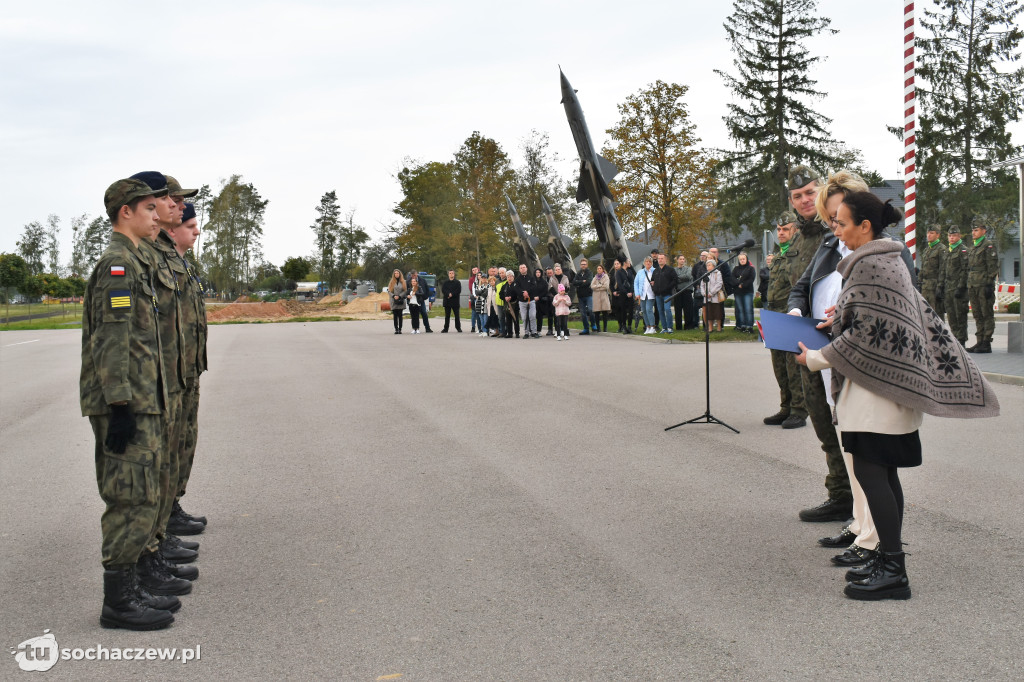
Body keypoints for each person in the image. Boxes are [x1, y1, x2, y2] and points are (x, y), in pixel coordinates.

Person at [796, 191, 999, 600]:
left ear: (865, 226)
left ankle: (893, 571)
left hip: (876, 393)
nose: (836, 229)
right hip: (887, 391)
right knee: (883, 476)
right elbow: (877, 320)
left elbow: (867, 337)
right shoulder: (886, 260)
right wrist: (841, 318)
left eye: (841, 222)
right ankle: (887, 559)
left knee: (873, 475)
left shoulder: (870, 264)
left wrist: (816, 358)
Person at [789, 169, 919, 524]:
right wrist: (798, 313)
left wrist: (845, 315)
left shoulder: (887, 251)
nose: (834, 227)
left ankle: (877, 545)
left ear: (861, 217)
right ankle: (862, 529)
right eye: (830, 220)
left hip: (865, 365)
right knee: (851, 452)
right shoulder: (831, 245)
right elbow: (801, 287)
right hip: (826, 355)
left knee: (874, 464)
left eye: (839, 219)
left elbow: (899, 309)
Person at [83, 178, 185, 630]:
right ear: (126, 212)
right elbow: (113, 337)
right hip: (127, 401)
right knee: (129, 496)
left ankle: (134, 583)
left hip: (143, 397)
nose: (156, 214)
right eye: (148, 208)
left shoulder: (133, 260)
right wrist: (120, 404)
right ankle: (118, 602)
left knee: (143, 492)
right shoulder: (118, 265)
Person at [128, 172, 199, 597]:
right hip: (150, 383)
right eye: (164, 202)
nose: (173, 208)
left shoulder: (161, 258)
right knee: (146, 475)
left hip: (174, 376)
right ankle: (139, 567)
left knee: (171, 455)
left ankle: (159, 538)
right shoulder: (135, 260)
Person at [162, 201, 209, 542]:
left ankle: (172, 505)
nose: (195, 231)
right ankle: (161, 522)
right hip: (169, 373)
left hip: (186, 369)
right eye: (190, 226)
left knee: (184, 441)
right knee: (169, 447)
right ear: (172, 228)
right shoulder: (158, 264)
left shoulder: (183, 265)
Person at [763, 213, 808, 430]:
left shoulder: (799, 254)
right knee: (779, 365)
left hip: (790, 314)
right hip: (774, 314)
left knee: (793, 365)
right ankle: (786, 407)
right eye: (779, 229)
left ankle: (799, 410)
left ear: (795, 230)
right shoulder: (778, 254)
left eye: (785, 229)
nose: (781, 233)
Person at [966, 219, 999, 353]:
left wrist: (989, 284)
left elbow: (993, 267)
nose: (973, 233)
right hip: (973, 285)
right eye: (973, 230)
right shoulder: (973, 247)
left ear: (984, 231)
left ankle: (986, 342)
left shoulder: (988, 246)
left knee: (987, 314)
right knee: (977, 314)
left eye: (976, 230)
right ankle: (979, 341)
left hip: (983, 285)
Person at [942, 226, 970, 346]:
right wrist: (941, 285)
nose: (951, 238)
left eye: (954, 236)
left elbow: (965, 270)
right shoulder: (948, 251)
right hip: (948, 287)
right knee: (951, 315)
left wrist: (961, 286)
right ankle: (954, 339)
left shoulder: (962, 250)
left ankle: (961, 340)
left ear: (959, 236)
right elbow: (944, 270)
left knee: (960, 315)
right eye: (949, 236)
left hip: (958, 287)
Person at [918, 225, 946, 323]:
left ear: (937, 235)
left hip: (935, 285)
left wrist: (940, 286)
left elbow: (943, 269)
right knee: (925, 314)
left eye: (932, 233)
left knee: (937, 315)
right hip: (925, 286)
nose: (928, 235)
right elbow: (923, 268)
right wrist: (919, 282)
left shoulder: (941, 249)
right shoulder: (927, 250)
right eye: (928, 233)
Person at [652, 253, 678, 333]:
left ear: (665, 260)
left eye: (662, 258)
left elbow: (675, 280)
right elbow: (652, 281)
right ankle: (664, 328)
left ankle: (670, 327)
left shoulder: (670, 270)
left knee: (667, 309)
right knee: (660, 311)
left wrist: (668, 287)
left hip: (667, 294)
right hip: (658, 295)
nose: (660, 260)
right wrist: (654, 288)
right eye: (659, 258)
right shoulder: (656, 270)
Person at [732, 251, 756, 332]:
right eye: (740, 259)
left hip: (747, 291)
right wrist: (738, 283)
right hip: (738, 292)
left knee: (748, 308)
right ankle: (742, 325)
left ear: (747, 259)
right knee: (740, 309)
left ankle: (749, 326)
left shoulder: (751, 268)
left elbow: (751, 279)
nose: (742, 260)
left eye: (743, 259)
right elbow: (732, 278)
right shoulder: (736, 269)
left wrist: (743, 284)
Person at [634, 256, 657, 334]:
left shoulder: (655, 271)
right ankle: (647, 327)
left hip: (651, 294)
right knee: (643, 311)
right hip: (642, 294)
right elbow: (636, 283)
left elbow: (658, 280)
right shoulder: (640, 272)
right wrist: (637, 293)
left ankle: (653, 327)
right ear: (644, 263)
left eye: (649, 262)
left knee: (649, 310)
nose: (648, 263)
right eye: (646, 261)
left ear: (652, 263)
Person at [701, 258, 725, 331]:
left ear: (714, 266)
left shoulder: (718, 273)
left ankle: (719, 328)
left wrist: (711, 293)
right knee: (709, 313)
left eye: (709, 265)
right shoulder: (705, 274)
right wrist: (704, 293)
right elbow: (702, 285)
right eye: (707, 265)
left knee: (717, 312)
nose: (708, 267)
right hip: (707, 298)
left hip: (715, 297)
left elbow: (719, 284)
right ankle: (710, 328)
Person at [610, 259, 631, 333]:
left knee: (623, 310)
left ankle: (624, 325)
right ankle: (619, 325)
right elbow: (611, 285)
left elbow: (623, 284)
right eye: (615, 264)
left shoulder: (623, 273)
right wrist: (613, 291)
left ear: (620, 264)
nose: (616, 265)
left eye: (617, 264)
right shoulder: (613, 274)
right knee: (617, 311)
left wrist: (619, 291)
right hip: (615, 295)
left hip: (622, 294)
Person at [673, 255, 694, 330]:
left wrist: (678, 278)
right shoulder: (674, 270)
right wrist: (681, 278)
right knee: (678, 310)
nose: (682, 260)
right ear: (677, 260)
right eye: (680, 259)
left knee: (688, 309)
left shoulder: (689, 268)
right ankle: (678, 327)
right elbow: (673, 278)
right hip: (677, 291)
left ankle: (688, 326)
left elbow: (688, 276)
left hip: (687, 291)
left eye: (683, 259)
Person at [575, 258, 595, 334]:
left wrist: (579, 283)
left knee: (590, 310)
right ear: (580, 265)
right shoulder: (578, 273)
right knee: (583, 313)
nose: (583, 266)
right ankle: (586, 328)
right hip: (580, 296)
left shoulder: (590, 273)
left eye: (585, 264)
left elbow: (588, 282)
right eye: (582, 264)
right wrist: (582, 281)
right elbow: (574, 282)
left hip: (588, 295)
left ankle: (593, 324)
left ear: (587, 265)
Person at [591, 264, 612, 331]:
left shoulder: (606, 277)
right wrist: (600, 286)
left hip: (603, 296)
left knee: (604, 313)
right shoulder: (595, 278)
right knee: (596, 313)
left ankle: (605, 328)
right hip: (596, 297)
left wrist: (597, 286)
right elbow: (592, 286)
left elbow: (606, 286)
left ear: (602, 269)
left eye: (600, 268)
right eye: (598, 268)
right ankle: (598, 327)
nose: (599, 269)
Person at [692, 251, 709, 329]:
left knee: (705, 308)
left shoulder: (708, 265)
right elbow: (694, 277)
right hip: (698, 289)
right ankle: (696, 324)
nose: (702, 257)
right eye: (701, 255)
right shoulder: (696, 266)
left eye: (704, 256)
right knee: (695, 307)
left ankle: (706, 325)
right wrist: (697, 285)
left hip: (707, 289)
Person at [502, 270, 520, 338]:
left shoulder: (516, 285)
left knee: (515, 319)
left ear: (513, 277)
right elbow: (501, 294)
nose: (509, 278)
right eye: (508, 277)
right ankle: (509, 333)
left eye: (511, 276)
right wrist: (505, 298)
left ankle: (517, 333)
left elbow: (518, 293)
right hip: (507, 305)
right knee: (508, 320)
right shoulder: (505, 285)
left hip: (515, 304)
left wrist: (511, 297)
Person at [468, 266, 480, 332]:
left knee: (479, 314)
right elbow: (470, 288)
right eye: (473, 270)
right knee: (474, 313)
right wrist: (475, 294)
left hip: (480, 297)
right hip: (473, 297)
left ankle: (479, 327)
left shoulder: (482, 278)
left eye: (476, 270)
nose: (475, 271)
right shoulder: (471, 279)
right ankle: (473, 327)